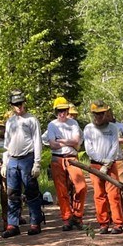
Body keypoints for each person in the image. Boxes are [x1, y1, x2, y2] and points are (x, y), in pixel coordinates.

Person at [1, 89, 44, 238]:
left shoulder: (31, 120)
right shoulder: (10, 122)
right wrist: (4, 163)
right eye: (15, 104)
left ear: (24, 103)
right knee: (12, 193)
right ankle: (13, 225)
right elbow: (6, 144)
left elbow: (37, 141)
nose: (18, 106)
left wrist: (37, 163)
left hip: (27, 158)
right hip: (12, 159)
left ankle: (35, 222)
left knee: (31, 191)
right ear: (12, 105)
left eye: (20, 103)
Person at [83, 101, 123, 235]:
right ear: (93, 114)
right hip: (95, 165)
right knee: (99, 195)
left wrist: (108, 163)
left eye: (102, 113)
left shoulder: (112, 127)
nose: (100, 116)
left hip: (111, 165)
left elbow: (115, 145)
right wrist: (101, 161)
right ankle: (103, 223)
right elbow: (89, 148)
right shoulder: (88, 128)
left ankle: (117, 223)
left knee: (114, 195)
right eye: (97, 114)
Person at [47, 96, 87, 231]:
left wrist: (61, 140)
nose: (62, 113)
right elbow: (52, 145)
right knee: (61, 191)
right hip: (57, 159)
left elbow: (76, 141)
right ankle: (66, 218)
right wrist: (68, 141)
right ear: (55, 111)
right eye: (59, 111)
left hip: (72, 158)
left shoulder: (73, 124)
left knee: (81, 186)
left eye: (64, 110)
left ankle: (77, 215)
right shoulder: (52, 125)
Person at [106, 107, 123, 221]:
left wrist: (115, 139)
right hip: (105, 160)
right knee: (108, 188)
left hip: (118, 159)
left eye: (108, 114)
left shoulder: (120, 126)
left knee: (121, 186)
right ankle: (110, 212)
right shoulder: (101, 128)